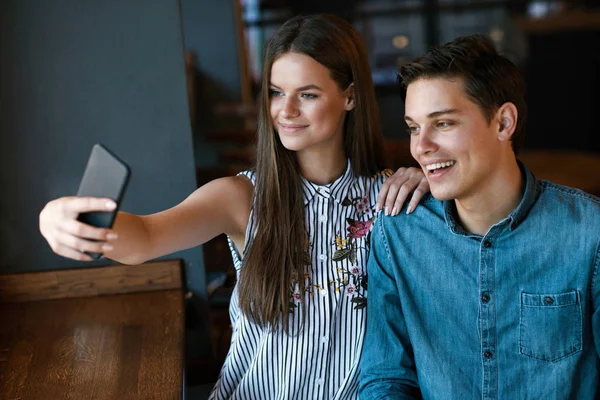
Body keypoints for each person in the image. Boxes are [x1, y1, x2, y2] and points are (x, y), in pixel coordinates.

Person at [39, 14, 429, 399]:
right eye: (276, 92)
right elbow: (145, 236)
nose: (286, 110)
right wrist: (59, 218)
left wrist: (434, 181)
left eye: (307, 94)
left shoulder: (390, 197)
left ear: (350, 96)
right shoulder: (240, 197)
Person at [359, 34, 600, 399]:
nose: (420, 147)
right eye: (413, 127)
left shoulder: (589, 232)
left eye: (442, 124)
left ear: (504, 123)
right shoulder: (398, 234)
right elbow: (387, 379)